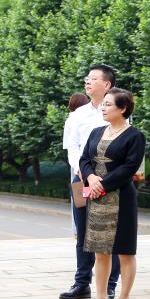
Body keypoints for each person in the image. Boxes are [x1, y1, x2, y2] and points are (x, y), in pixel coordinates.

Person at [79, 88, 145, 299]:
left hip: (121, 199)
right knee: (100, 252)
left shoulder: (135, 135)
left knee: (124, 252)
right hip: (97, 198)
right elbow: (84, 158)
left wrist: (103, 184)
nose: (103, 108)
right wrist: (90, 178)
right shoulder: (96, 132)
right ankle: (101, 298)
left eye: (108, 104)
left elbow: (130, 167)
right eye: (103, 104)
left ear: (123, 108)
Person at [60, 65, 121, 299]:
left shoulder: (118, 110)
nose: (88, 81)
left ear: (107, 85)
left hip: (108, 180)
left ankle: (110, 285)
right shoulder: (78, 115)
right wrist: (81, 169)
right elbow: (72, 146)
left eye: (94, 78)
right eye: (87, 78)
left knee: (108, 232)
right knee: (83, 231)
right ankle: (82, 282)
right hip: (82, 179)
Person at [63, 92, 89, 237]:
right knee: (84, 196)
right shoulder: (80, 116)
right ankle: (82, 229)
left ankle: (77, 229)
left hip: (75, 163)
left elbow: (67, 144)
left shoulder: (70, 118)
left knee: (78, 197)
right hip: (82, 163)